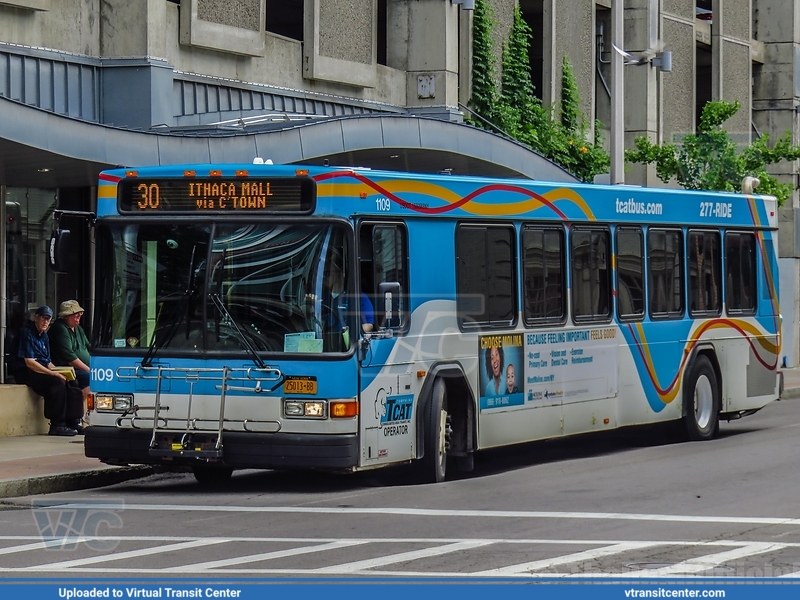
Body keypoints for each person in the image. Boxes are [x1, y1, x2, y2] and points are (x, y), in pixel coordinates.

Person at [11, 306, 84, 436]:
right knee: (57, 383)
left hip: (41, 370)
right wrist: (54, 374)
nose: (45, 322)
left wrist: (62, 371)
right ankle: (57, 425)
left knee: (72, 381)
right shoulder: (26, 333)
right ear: (36, 318)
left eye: (48, 319)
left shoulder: (44, 336)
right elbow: (30, 363)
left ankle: (73, 422)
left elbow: (48, 362)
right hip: (25, 371)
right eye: (43, 318)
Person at [49, 300, 91, 400]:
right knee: (91, 379)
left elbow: (89, 346)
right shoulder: (60, 328)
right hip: (67, 369)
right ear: (66, 316)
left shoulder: (78, 328)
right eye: (76, 315)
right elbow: (69, 357)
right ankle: (76, 407)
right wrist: (90, 370)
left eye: (80, 314)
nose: (79, 316)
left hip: (82, 368)